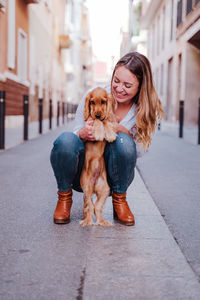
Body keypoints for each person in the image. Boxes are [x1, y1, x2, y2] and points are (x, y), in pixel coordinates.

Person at [50, 51, 164, 226]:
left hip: (114, 174)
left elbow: (139, 150)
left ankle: (119, 200)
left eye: (127, 85)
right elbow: (75, 135)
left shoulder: (145, 110)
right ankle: (64, 197)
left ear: (141, 86)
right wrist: (82, 134)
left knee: (124, 143)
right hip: (84, 171)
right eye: (116, 81)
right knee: (65, 140)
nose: (119, 88)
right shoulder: (95, 95)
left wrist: (121, 130)